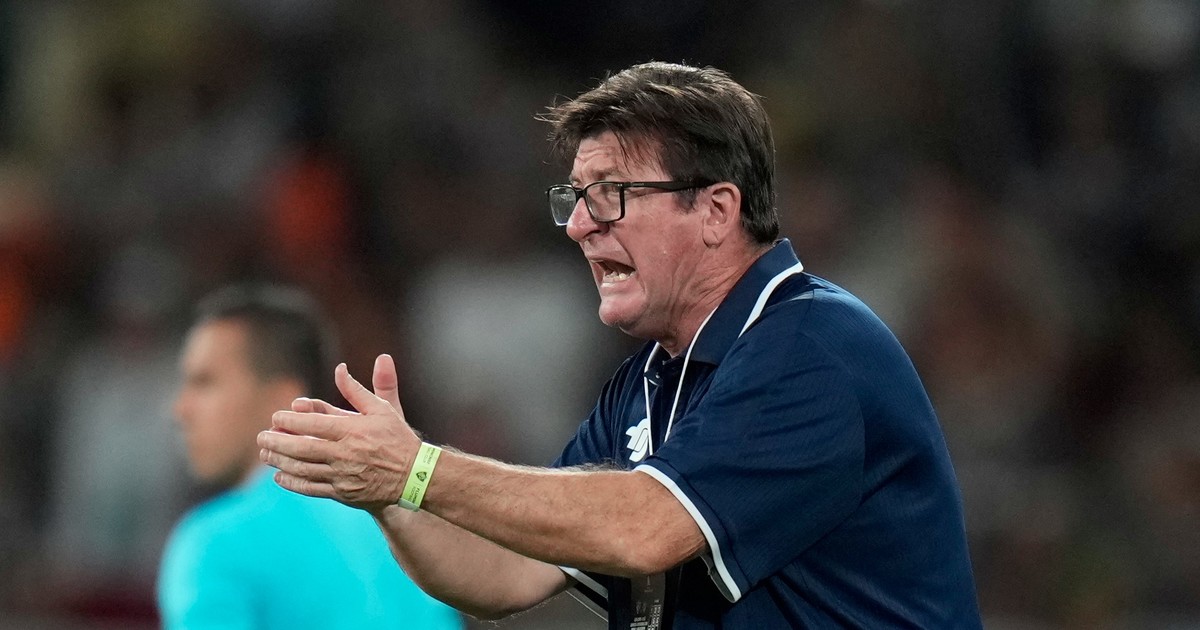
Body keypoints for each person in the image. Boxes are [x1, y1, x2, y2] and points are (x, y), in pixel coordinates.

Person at [258, 62, 982, 628]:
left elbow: (646, 528)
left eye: (610, 194)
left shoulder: (813, 347)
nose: (579, 226)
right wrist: (393, 492)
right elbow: (506, 572)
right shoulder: (648, 383)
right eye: (574, 198)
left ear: (715, 209)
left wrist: (419, 466)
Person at [159, 285, 462, 630]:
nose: (180, 409)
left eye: (204, 382)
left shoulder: (213, 543)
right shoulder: (407, 527)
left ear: (283, 398)